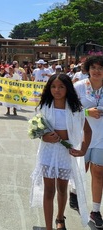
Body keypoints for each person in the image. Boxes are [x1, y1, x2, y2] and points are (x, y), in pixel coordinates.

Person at [30, 73, 92, 230]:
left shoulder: (76, 109)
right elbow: (37, 128)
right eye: (53, 86)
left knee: (62, 189)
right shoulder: (44, 107)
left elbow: (88, 130)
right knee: (49, 190)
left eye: (61, 86)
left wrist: (83, 149)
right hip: (48, 153)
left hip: (66, 153)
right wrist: (44, 137)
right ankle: (48, 226)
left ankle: (60, 217)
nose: (57, 90)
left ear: (68, 88)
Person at [73, 55, 103, 228]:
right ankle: (74, 192)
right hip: (82, 135)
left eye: (100, 68)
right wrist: (86, 113)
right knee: (80, 169)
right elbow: (70, 109)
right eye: (94, 67)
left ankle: (96, 210)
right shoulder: (78, 87)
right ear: (88, 69)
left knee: (98, 173)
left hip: (101, 137)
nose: (97, 71)